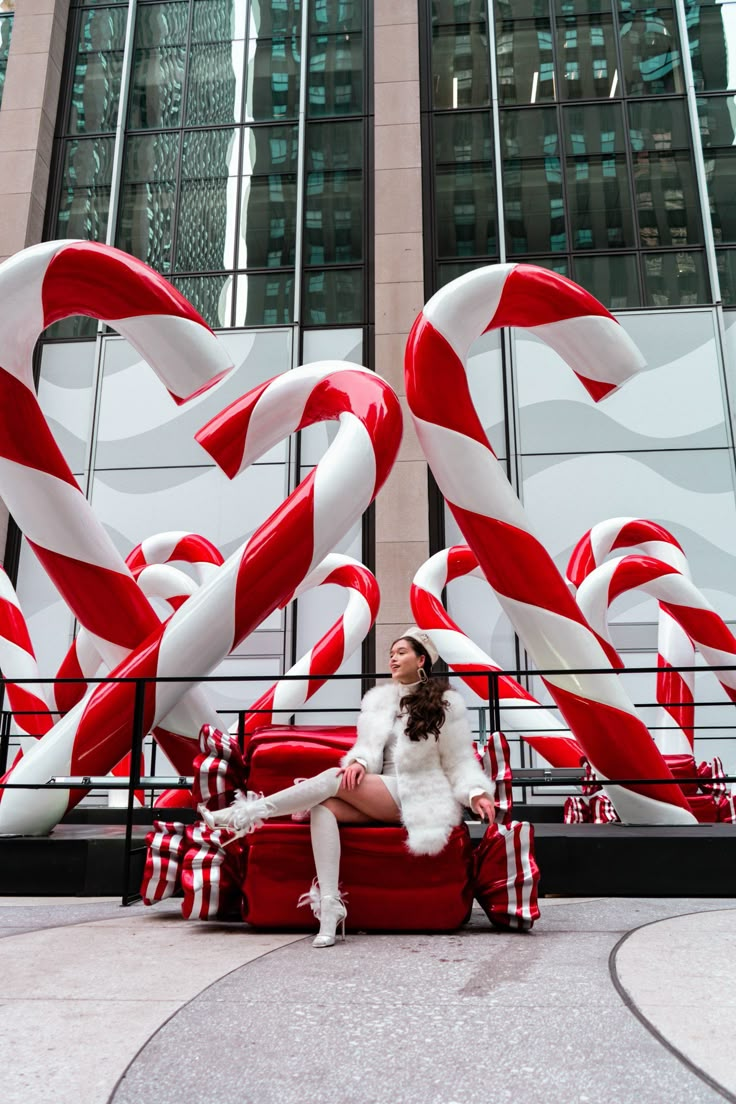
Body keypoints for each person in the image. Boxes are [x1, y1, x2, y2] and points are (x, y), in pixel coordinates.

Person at [201, 628, 495, 947]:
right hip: (385, 793)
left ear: (421, 659)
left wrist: (476, 793)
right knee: (323, 807)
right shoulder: (379, 702)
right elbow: (367, 747)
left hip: (422, 795)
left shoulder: (446, 704)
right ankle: (330, 909)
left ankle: (247, 814)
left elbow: (459, 760)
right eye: (391, 653)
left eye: (401, 652)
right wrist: (359, 762)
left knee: (332, 778)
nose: (392, 657)